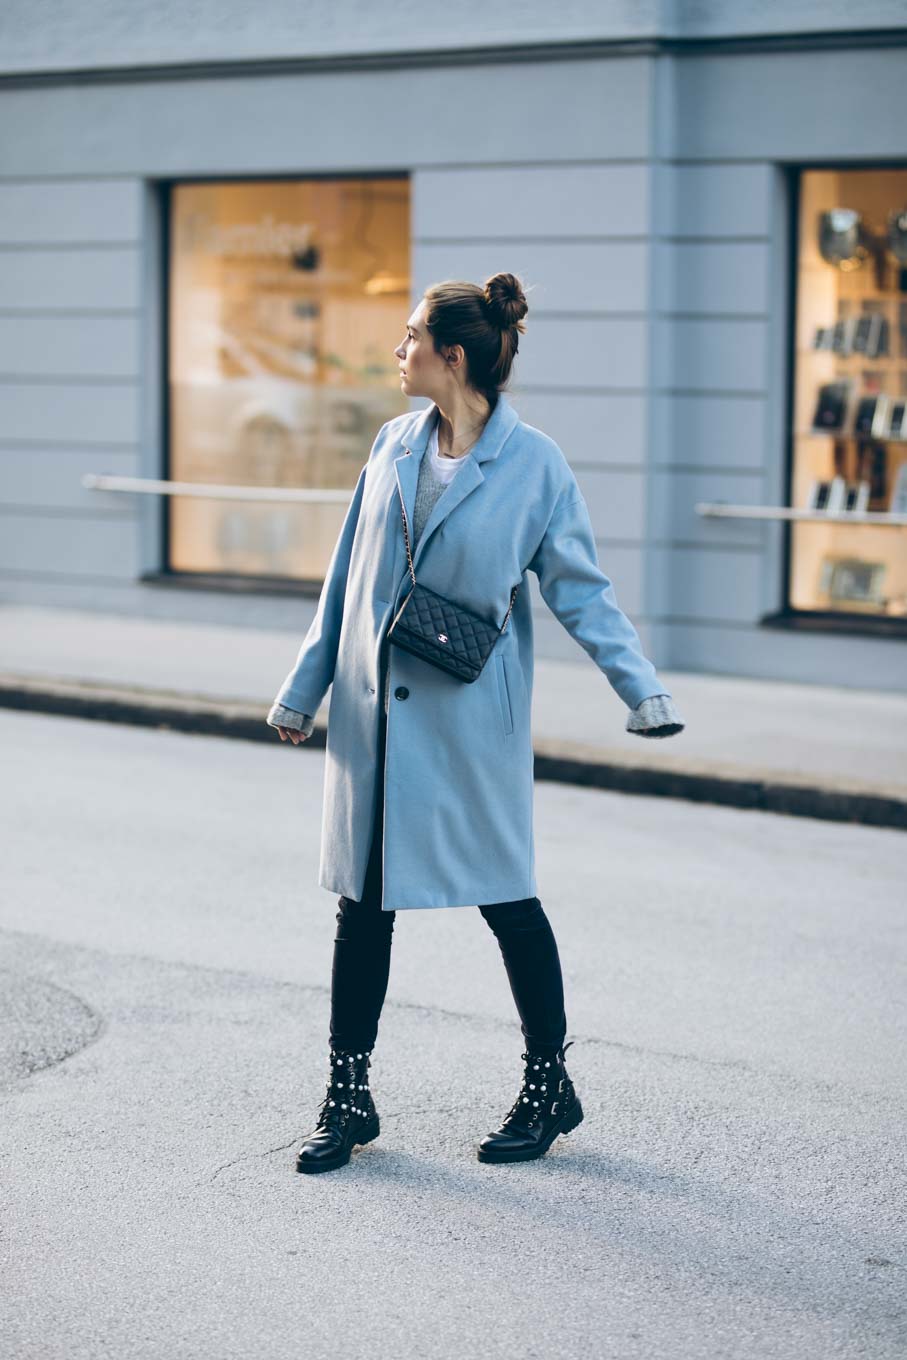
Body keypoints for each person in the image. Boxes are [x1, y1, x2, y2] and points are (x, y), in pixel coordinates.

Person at [268, 273, 685, 1174]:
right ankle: (348, 1095)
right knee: (362, 907)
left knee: (508, 900)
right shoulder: (389, 445)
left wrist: (639, 688)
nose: (399, 350)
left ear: (450, 355)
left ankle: (548, 1084)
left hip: (469, 718)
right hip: (377, 716)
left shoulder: (535, 465)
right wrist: (304, 690)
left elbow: (580, 590)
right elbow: (346, 580)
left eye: (411, 335)